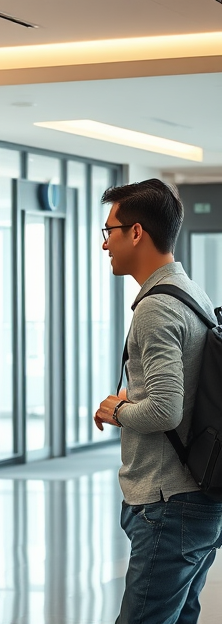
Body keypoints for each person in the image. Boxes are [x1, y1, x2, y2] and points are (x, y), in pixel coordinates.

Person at [94, 179, 219, 624]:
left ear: (136, 232)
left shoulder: (157, 307)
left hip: (169, 502)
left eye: (109, 231)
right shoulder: (192, 292)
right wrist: (135, 397)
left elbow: (166, 410)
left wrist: (117, 409)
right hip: (196, 494)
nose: (104, 244)